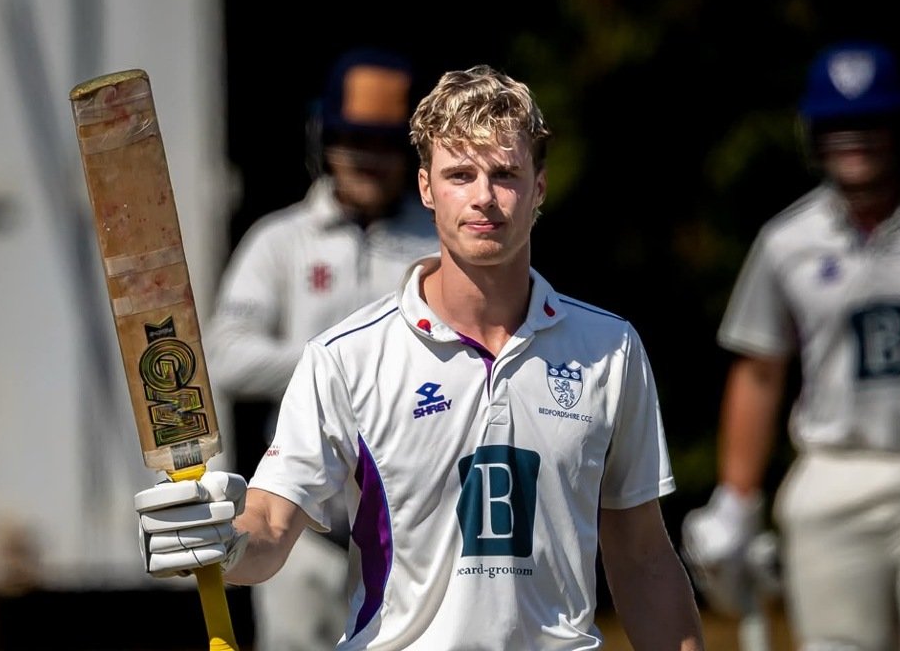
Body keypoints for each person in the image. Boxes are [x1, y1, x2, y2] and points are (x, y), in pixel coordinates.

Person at [137, 63, 705, 650]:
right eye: (460, 174)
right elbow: (272, 524)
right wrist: (222, 540)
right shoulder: (342, 356)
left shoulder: (610, 348)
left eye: (506, 173)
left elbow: (643, 557)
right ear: (428, 187)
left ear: (539, 186)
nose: (484, 197)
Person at [681, 39, 900, 650]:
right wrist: (736, 498)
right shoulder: (790, 240)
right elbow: (761, 369)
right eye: (838, 126)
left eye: (869, 123)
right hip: (836, 469)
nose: (854, 142)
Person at [203, 47, 438, 651]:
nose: (367, 157)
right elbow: (225, 356)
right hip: (299, 527)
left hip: (414, 529)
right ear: (323, 138)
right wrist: (335, 363)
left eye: (385, 142)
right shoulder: (279, 240)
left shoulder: (437, 242)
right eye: (352, 138)